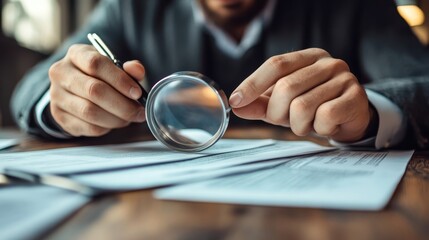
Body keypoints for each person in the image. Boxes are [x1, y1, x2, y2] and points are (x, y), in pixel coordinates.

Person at [11, 0, 429, 149]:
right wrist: (64, 101)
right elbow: (35, 85)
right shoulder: (130, 7)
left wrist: (371, 113)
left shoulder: (355, 6)